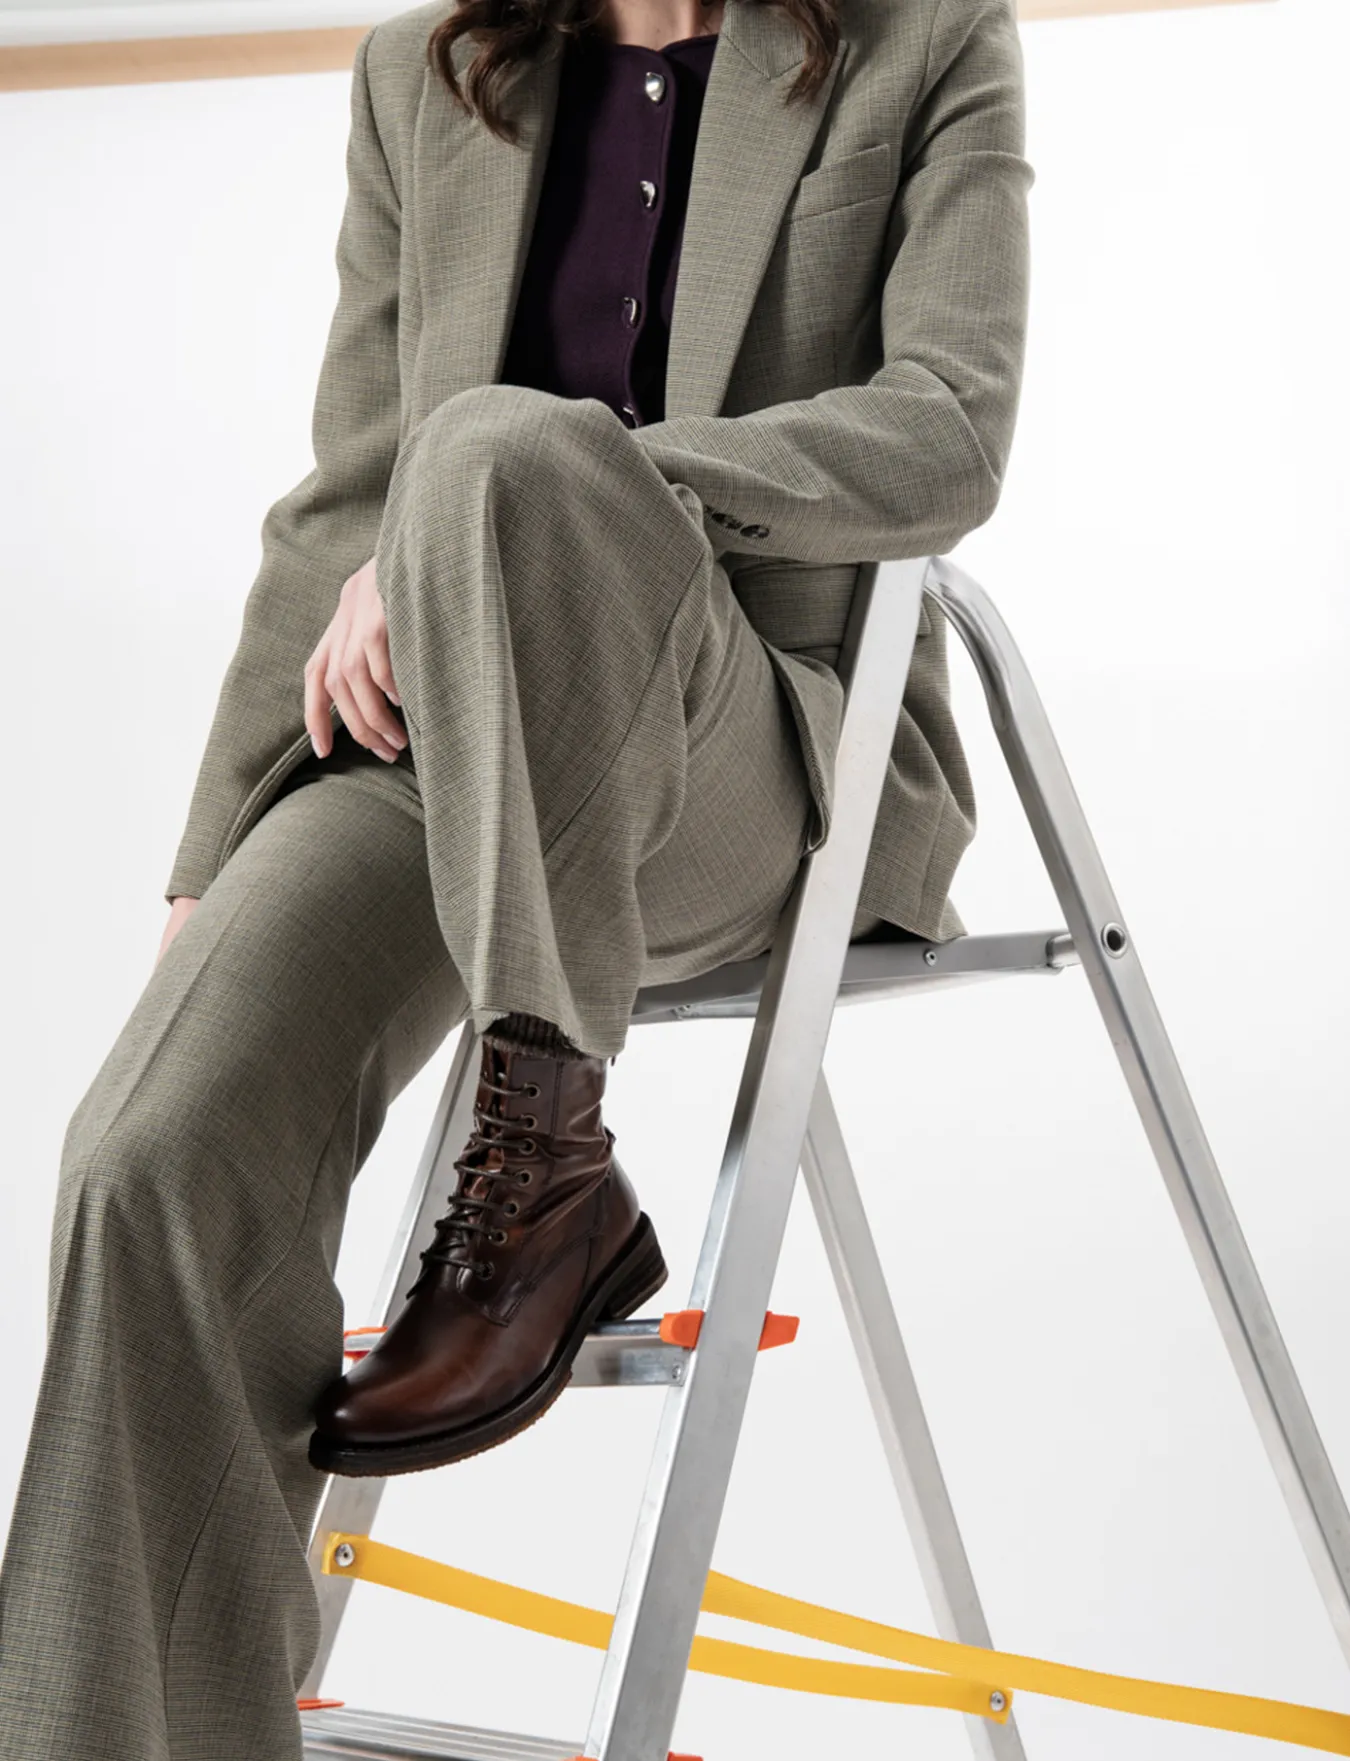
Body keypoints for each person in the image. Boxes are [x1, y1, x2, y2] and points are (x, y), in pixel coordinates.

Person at [0, 0, 1033, 1753]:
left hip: (746, 743)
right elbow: (349, 498)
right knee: (149, 1162)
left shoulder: (923, 36)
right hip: (432, 745)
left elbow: (951, 427)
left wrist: (561, 494)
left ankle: (541, 1154)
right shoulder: (423, 71)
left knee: (490, 450)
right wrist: (213, 849)